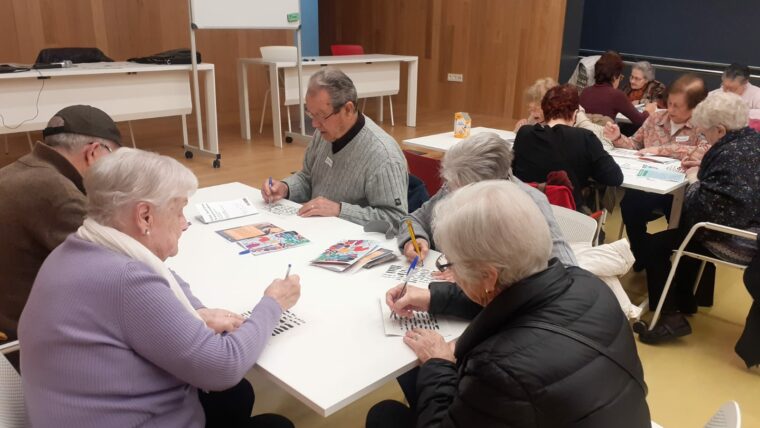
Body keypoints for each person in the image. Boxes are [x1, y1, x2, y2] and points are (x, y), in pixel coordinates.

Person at [19, 148, 298, 428]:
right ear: (145, 216)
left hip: (82, 406)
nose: (185, 224)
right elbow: (224, 366)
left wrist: (196, 312)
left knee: (236, 395)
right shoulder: (127, 280)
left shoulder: (79, 247)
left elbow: (162, 275)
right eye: (178, 211)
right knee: (276, 424)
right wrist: (273, 304)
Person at [367, 180, 651, 428]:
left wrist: (438, 364)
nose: (449, 270)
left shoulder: (498, 370)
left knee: (385, 414)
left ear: (488, 277)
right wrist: (433, 296)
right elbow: (514, 300)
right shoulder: (586, 283)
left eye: (450, 264)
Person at [637, 92, 760, 343]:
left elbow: (704, 212)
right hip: (752, 227)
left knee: (656, 244)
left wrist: (694, 179)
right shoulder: (751, 141)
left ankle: (670, 319)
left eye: (706, 132)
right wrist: (705, 167)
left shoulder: (729, 155)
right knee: (681, 232)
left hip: (740, 238)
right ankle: (685, 300)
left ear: (721, 130)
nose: (704, 136)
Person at [0, 105, 121, 352]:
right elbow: (120, 263)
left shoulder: (18, 169)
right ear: (93, 152)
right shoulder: (58, 193)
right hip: (23, 342)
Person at [398, 131, 576, 268]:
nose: (451, 194)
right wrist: (415, 239)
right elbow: (412, 220)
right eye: (450, 185)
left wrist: (476, 279)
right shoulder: (452, 187)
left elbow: (567, 269)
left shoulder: (530, 204)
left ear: (490, 187)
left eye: (460, 189)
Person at [262, 68, 408, 226]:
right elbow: (308, 177)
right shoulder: (324, 132)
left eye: (321, 115)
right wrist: (285, 188)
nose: (314, 124)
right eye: (311, 114)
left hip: (352, 238)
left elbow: (396, 218)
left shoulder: (383, 156)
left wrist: (339, 210)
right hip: (319, 228)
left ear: (348, 109)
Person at [603, 74, 709, 269]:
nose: (671, 109)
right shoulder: (656, 118)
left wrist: (661, 150)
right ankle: (642, 253)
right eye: (669, 103)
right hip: (649, 185)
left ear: (695, 107)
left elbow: (704, 151)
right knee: (629, 205)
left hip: (681, 192)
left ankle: (670, 264)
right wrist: (618, 138)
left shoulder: (703, 125)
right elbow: (635, 144)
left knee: (682, 219)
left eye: (677, 106)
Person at [513, 84, 623, 208]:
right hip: (567, 214)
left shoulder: (524, 133)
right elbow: (615, 178)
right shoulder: (585, 138)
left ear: (544, 110)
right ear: (575, 113)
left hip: (525, 208)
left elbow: (513, 170)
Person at [514, 77, 615, 149]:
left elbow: (598, 137)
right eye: (530, 109)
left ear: (550, 104)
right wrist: (520, 130)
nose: (532, 113)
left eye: (535, 109)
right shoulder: (535, 116)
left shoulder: (573, 114)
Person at [579, 51, 656, 127]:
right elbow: (640, 121)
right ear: (614, 77)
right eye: (620, 77)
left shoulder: (585, 92)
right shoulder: (616, 95)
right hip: (603, 134)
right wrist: (648, 111)